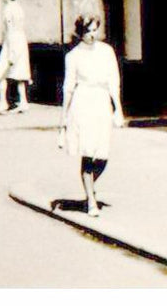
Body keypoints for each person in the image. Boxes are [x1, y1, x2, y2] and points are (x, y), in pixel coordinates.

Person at [61, 15, 124, 217]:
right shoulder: (73, 57)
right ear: (80, 32)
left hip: (101, 102)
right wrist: (63, 117)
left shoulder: (106, 52)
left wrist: (118, 109)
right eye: (88, 31)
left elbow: (114, 81)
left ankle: (89, 187)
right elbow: (68, 87)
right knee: (88, 152)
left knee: (103, 155)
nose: (92, 35)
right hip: (83, 103)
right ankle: (91, 200)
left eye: (95, 30)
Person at [0, 0, 31, 114]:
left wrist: (11, 52)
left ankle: (3, 102)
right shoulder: (19, 8)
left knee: (1, 73)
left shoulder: (8, 9)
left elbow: (10, 29)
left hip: (12, 43)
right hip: (20, 41)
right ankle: (23, 102)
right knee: (20, 74)